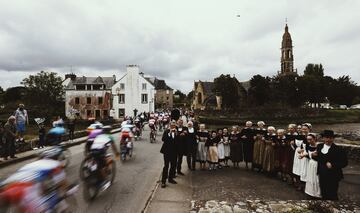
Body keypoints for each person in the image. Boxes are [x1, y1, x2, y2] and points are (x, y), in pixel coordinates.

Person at [312, 130, 348, 200]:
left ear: (333, 138)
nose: (328, 140)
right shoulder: (319, 146)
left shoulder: (338, 149)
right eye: (326, 137)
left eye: (330, 138)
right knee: (323, 191)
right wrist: (313, 156)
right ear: (323, 138)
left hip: (333, 175)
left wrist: (333, 165)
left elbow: (344, 162)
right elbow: (319, 158)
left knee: (332, 193)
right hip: (322, 174)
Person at [301, 133, 321, 198]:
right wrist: (303, 155)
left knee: (316, 178)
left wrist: (315, 155)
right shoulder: (308, 145)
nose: (309, 141)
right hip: (311, 163)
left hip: (317, 163)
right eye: (308, 140)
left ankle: (317, 193)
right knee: (310, 177)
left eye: (310, 139)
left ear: (314, 139)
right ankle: (311, 192)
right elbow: (307, 154)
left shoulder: (319, 146)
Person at [160, 121, 178, 188]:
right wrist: (169, 133)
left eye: (174, 126)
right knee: (166, 166)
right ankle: (163, 181)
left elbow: (178, 141)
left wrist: (177, 134)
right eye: (172, 126)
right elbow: (163, 139)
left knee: (173, 166)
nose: (173, 127)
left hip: (174, 152)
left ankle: (170, 179)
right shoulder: (166, 131)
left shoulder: (176, 132)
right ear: (170, 126)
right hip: (167, 151)